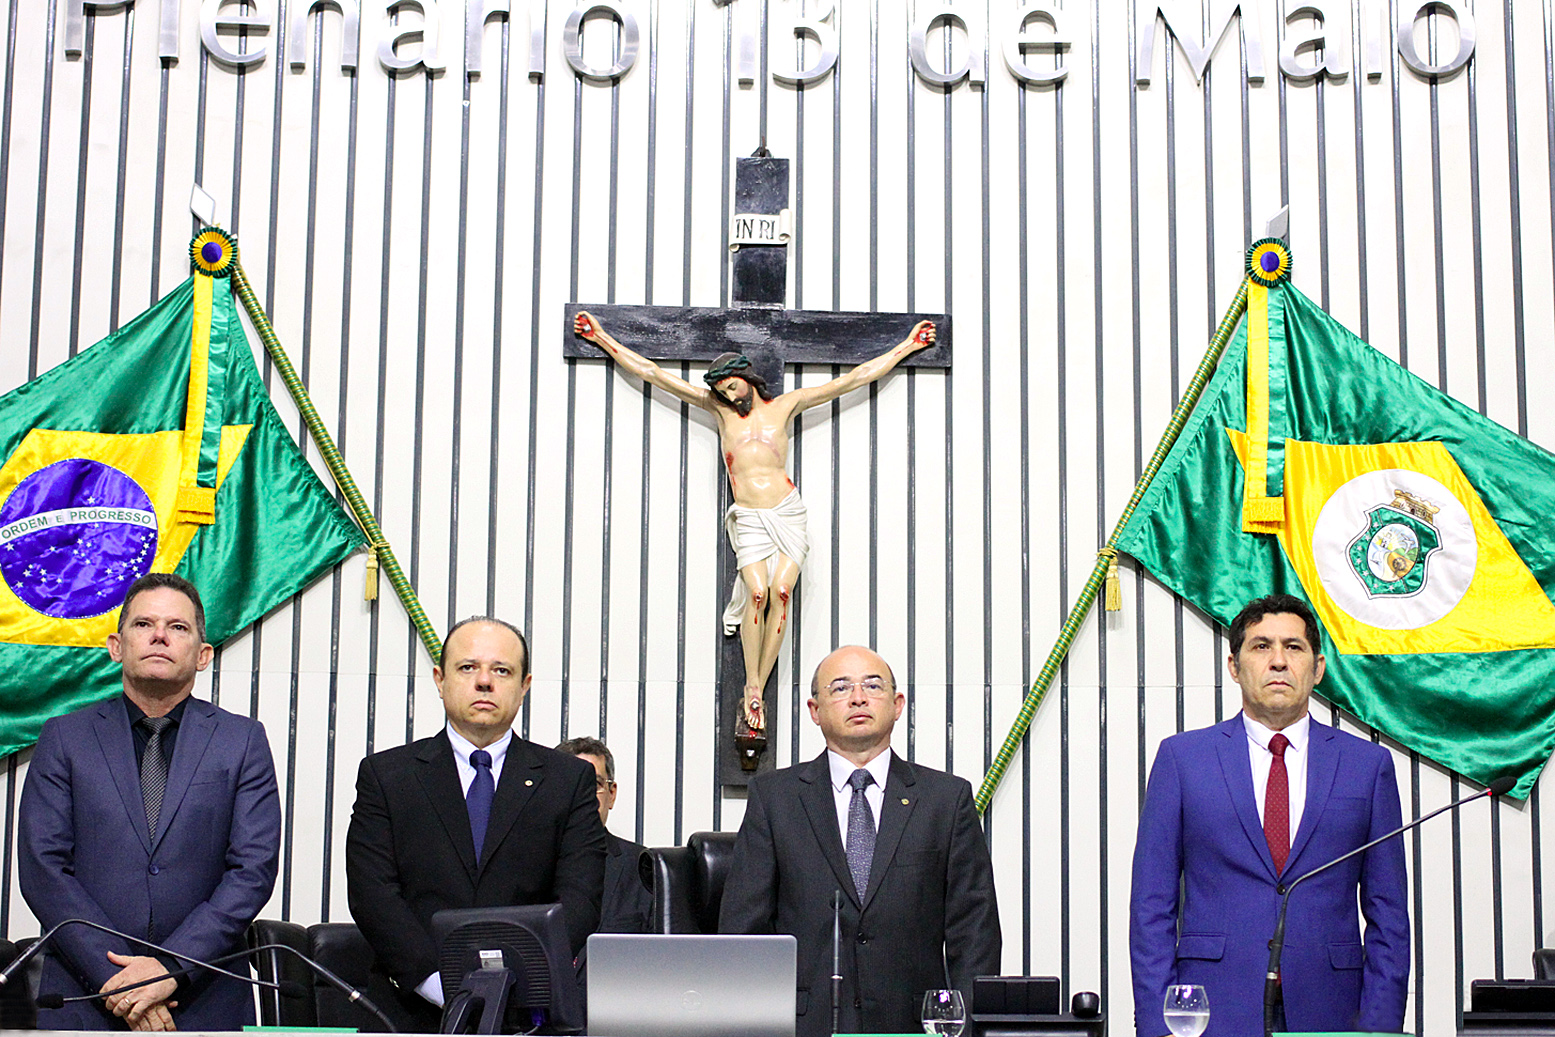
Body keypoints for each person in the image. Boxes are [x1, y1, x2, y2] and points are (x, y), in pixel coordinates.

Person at [574, 312, 935, 735]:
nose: (728, 394)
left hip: (786, 510)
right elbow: (654, 374)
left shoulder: (786, 406)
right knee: (758, 593)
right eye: (721, 390)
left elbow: (852, 379)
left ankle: (758, 686)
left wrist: (907, 346)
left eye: (732, 385)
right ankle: (752, 683)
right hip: (748, 516)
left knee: (782, 591)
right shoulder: (720, 412)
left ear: (747, 378)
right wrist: (601, 337)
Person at [1128, 593, 1409, 1037]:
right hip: (1210, 1007)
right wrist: (1160, 1024)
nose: (1278, 661)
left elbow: (1389, 915)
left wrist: (1378, 1028)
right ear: (1234, 667)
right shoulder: (1182, 760)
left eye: (1293, 647)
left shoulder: (1367, 767)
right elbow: (1151, 907)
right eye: (1261, 646)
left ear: (1317, 668)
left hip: (1331, 1010)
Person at [18, 573, 281, 1031]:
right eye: (144, 624)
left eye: (177, 627)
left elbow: (252, 870)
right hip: (86, 996)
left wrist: (170, 969)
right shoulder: (65, 737)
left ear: (203, 655)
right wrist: (118, 980)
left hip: (203, 997)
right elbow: (44, 869)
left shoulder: (242, 741)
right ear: (115, 646)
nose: (159, 635)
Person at [718, 645, 1001, 1037]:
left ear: (898, 704)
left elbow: (975, 933)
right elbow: (743, 931)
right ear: (814, 710)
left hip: (916, 1026)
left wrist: (966, 1028)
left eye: (872, 685)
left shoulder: (945, 800)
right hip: (802, 1025)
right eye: (839, 688)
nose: (858, 697)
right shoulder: (775, 798)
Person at [345, 616, 607, 1031]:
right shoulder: (388, 775)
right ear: (439, 678)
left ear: (524, 686)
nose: (484, 681)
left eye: (501, 670)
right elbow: (372, 893)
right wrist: (439, 985)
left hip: (529, 1013)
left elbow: (580, 897)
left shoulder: (566, 780)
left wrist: (516, 982)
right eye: (468, 668)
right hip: (411, 1009)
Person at [556, 737, 653, 933]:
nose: (583, 795)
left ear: (612, 794)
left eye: (594, 784)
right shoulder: (525, 863)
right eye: (570, 784)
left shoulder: (644, 869)